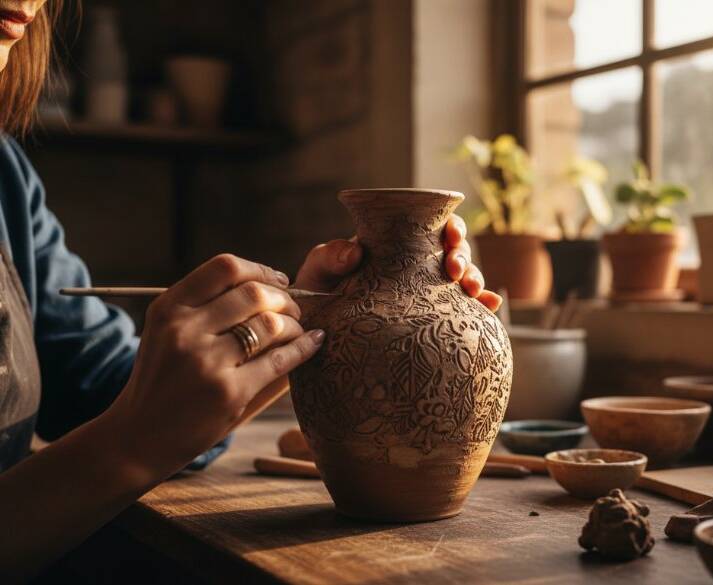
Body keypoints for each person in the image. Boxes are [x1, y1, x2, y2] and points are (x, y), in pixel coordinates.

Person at [0, 0, 502, 580]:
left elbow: (123, 392)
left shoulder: (8, 177)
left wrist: (302, 326)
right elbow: (137, 425)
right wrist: (131, 444)